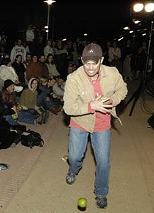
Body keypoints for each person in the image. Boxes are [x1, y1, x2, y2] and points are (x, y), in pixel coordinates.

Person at [63, 43, 128, 209]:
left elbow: (123, 89)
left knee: (104, 161)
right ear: (82, 61)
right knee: (75, 156)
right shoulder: (74, 78)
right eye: (86, 63)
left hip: (102, 124)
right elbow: (68, 108)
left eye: (94, 63)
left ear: (102, 60)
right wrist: (91, 106)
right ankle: (73, 169)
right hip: (80, 122)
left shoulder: (112, 73)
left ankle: (101, 192)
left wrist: (113, 100)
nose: (90, 67)